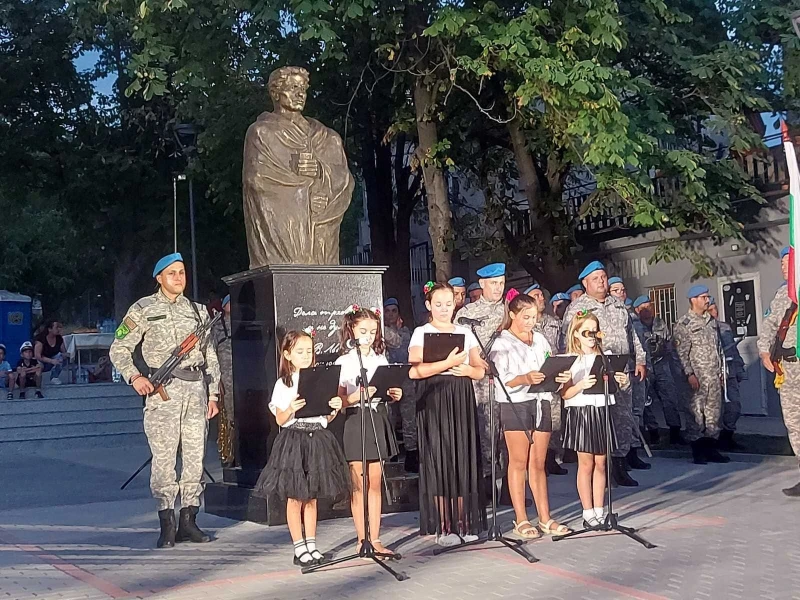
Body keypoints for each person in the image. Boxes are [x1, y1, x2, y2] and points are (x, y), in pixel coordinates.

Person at [109, 253, 221, 548]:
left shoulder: (198, 312)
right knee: (164, 461)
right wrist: (135, 377)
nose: (178, 278)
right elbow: (118, 348)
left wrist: (214, 393)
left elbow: (210, 355)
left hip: (196, 391)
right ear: (159, 278)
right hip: (164, 394)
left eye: (182, 272)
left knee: (196, 459)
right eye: (171, 273)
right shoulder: (143, 309)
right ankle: (166, 523)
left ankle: (189, 520)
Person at [254, 330, 350, 567]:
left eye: (309, 351)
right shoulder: (283, 383)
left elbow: (327, 416)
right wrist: (291, 408)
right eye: (300, 351)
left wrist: (335, 406)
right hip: (294, 439)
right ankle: (299, 547)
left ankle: (312, 544)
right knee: (296, 496)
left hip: (317, 438)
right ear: (287, 355)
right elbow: (279, 418)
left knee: (312, 497)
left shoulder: (321, 378)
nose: (306, 355)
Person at [242, 66, 354, 267]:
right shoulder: (262, 133)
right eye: (293, 87)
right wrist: (305, 195)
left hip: (322, 241)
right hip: (286, 242)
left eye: (303, 88)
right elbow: (258, 182)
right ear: (276, 93)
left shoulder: (327, 137)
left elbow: (345, 180)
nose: (300, 94)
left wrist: (321, 176)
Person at [409, 282, 487, 546]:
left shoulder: (465, 331)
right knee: (440, 459)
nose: (444, 309)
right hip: (434, 397)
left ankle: (464, 522)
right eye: (438, 304)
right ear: (429, 305)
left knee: (462, 456)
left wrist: (468, 370)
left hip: (460, 395)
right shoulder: (422, 332)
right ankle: (444, 525)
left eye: (449, 303)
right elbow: (414, 370)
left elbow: (480, 369)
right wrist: (448, 363)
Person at [489, 291, 572, 538]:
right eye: (525, 317)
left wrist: (559, 376)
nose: (530, 322)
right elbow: (500, 379)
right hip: (516, 403)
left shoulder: (540, 340)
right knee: (518, 462)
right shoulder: (502, 342)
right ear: (513, 315)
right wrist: (524, 378)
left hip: (541, 400)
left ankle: (545, 517)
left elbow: (550, 363)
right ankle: (521, 518)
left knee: (537, 462)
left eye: (534, 317)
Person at [562, 261, 647, 486]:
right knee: (600, 422)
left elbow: (633, 335)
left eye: (603, 277)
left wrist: (640, 360)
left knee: (622, 418)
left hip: (621, 369)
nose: (601, 281)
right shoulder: (578, 308)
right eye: (595, 278)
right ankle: (604, 469)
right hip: (593, 370)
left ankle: (620, 466)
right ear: (585, 283)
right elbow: (568, 341)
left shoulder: (619, 306)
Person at [335, 306, 402, 558]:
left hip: (377, 416)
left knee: (375, 482)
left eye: (373, 331)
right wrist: (355, 396)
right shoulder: (344, 361)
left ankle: (375, 537)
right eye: (363, 330)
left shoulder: (379, 359)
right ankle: (361, 538)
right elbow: (339, 400)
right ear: (351, 330)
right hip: (356, 420)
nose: (369, 336)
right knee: (359, 484)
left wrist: (394, 394)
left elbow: (388, 386)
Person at [562, 310, 629, 528]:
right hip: (581, 412)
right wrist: (580, 385)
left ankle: (600, 510)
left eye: (594, 331)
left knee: (601, 463)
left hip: (601, 410)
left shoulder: (605, 356)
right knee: (586, 463)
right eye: (586, 332)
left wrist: (622, 381)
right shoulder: (571, 360)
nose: (591, 336)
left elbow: (615, 387)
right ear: (576, 335)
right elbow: (564, 393)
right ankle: (587, 512)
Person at [455, 263, 507, 485]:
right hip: (481, 384)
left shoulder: (511, 309)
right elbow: (460, 348)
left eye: (502, 283)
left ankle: (507, 485)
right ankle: (486, 480)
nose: (498, 288)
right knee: (485, 432)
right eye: (494, 284)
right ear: (483, 285)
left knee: (508, 432)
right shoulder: (467, 314)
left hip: (509, 381)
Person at [757, 246, 800, 496]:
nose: (783, 267)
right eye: (782, 263)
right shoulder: (783, 293)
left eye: (787, 262)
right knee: (794, 423)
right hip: (788, 367)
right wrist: (764, 350)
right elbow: (771, 323)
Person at [673, 285, 730, 465]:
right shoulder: (684, 325)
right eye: (703, 297)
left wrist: (722, 371)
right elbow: (680, 354)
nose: (707, 300)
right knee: (696, 415)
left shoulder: (711, 322)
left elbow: (718, 348)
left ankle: (711, 449)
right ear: (693, 300)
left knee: (714, 413)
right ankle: (698, 451)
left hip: (712, 375)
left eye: (707, 296)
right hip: (696, 378)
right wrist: (689, 374)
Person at [526, 284, 567, 475]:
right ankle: (535, 461)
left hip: (553, 376)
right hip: (532, 378)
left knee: (554, 420)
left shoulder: (553, 322)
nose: (540, 298)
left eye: (541, 295)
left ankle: (551, 458)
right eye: (535, 295)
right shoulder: (525, 324)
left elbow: (562, 346)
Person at [633, 295, 686, 445]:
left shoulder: (660, 323)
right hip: (646, 366)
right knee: (646, 400)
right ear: (637, 310)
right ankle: (653, 432)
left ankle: (675, 431)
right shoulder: (635, 326)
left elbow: (669, 343)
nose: (647, 310)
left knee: (669, 397)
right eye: (643, 308)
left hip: (662, 364)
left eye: (649, 306)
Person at [382, 297, 417, 472]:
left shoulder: (405, 333)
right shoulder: (377, 335)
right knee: (389, 418)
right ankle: (391, 452)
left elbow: (398, 344)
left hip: (406, 381)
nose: (390, 314)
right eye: (386, 311)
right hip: (388, 380)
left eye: (393, 311)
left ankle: (411, 453)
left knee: (409, 419)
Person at [708, 297, 745, 450]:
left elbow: (733, 350)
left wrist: (739, 369)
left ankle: (727, 436)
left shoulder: (724, 327)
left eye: (715, 308)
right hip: (712, 374)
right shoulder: (702, 330)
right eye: (710, 309)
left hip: (729, 371)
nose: (714, 312)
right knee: (714, 410)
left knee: (734, 406)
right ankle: (713, 441)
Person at [213, 295, 235, 466]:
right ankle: (227, 454)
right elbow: (211, 353)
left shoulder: (243, 324)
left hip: (243, 377)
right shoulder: (216, 325)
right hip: (225, 377)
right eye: (229, 302)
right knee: (227, 416)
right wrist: (216, 380)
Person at [34, 320, 69, 384]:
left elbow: (63, 351)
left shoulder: (59, 338)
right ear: (50, 329)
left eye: (59, 327)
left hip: (53, 359)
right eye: (56, 327)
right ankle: (36, 380)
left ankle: (54, 377)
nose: (59, 329)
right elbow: (37, 356)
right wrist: (51, 361)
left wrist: (66, 355)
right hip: (41, 360)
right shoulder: (41, 339)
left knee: (60, 356)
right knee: (38, 364)